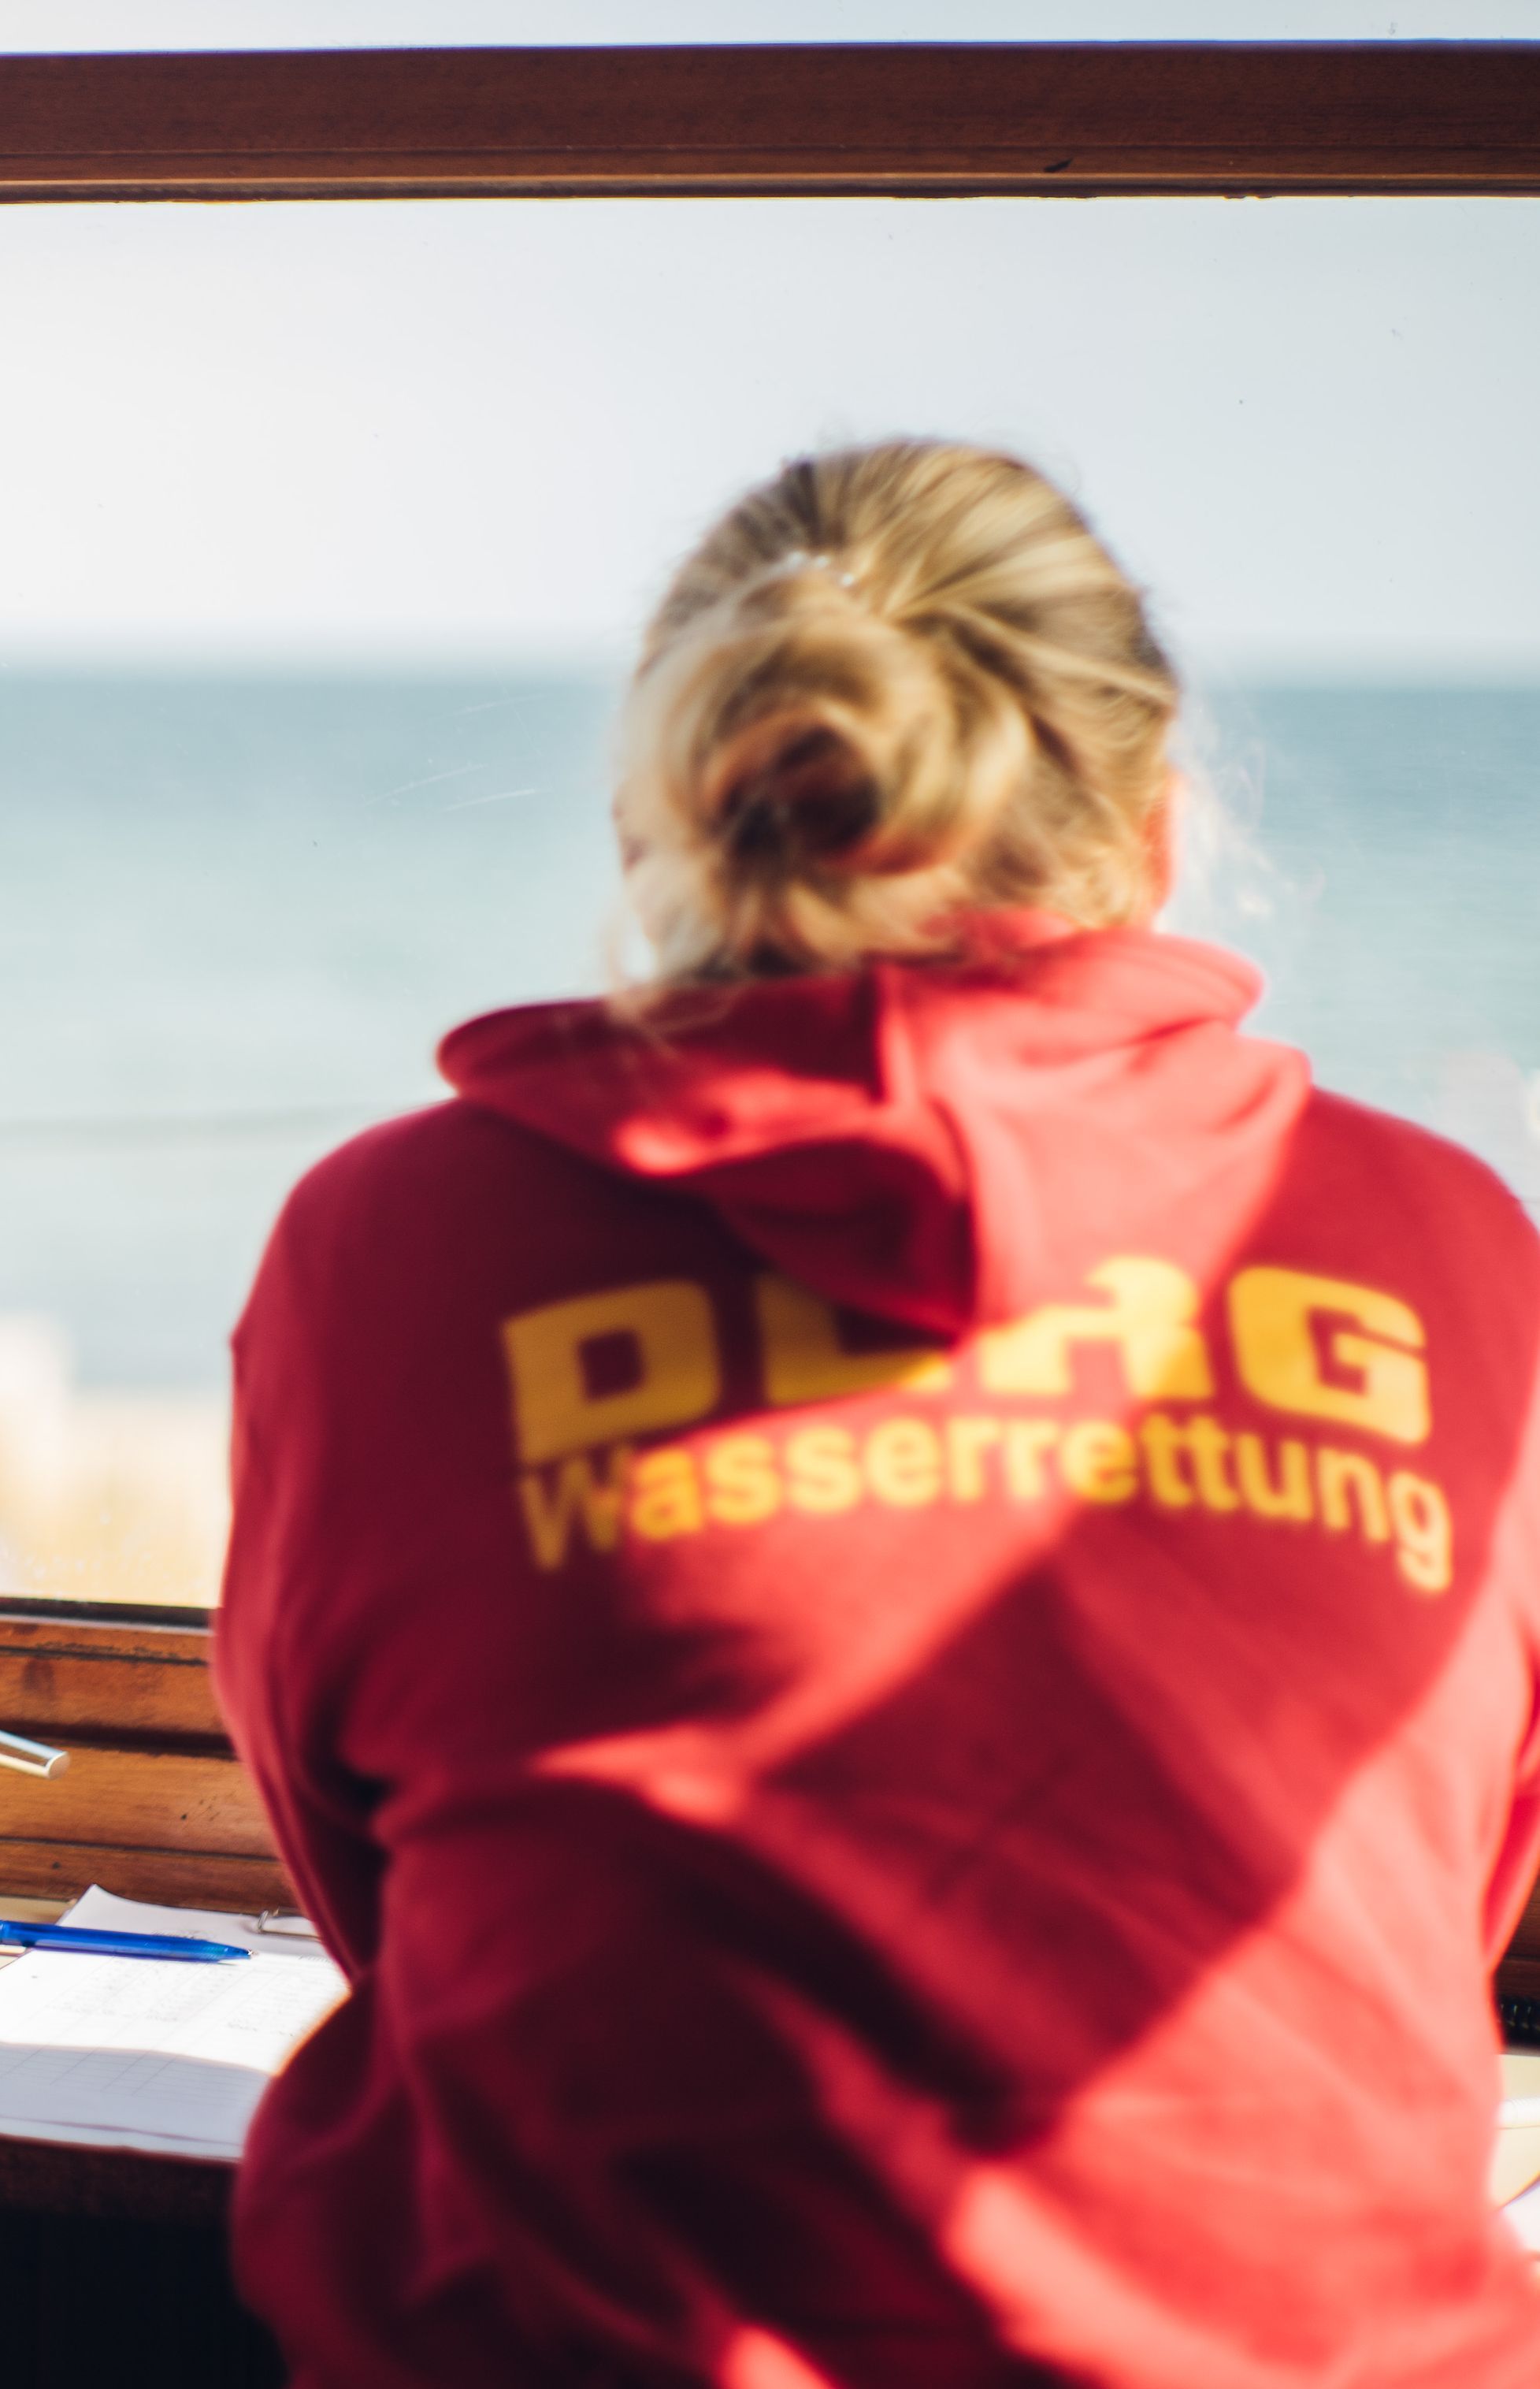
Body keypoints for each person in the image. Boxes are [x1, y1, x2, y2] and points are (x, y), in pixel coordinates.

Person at [217, 442, 1540, 2383]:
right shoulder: (1449, 1240)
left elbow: (353, 1845)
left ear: (653, 833)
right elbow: (1460, 1863)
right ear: (1159, 829)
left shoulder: (395, 1243)